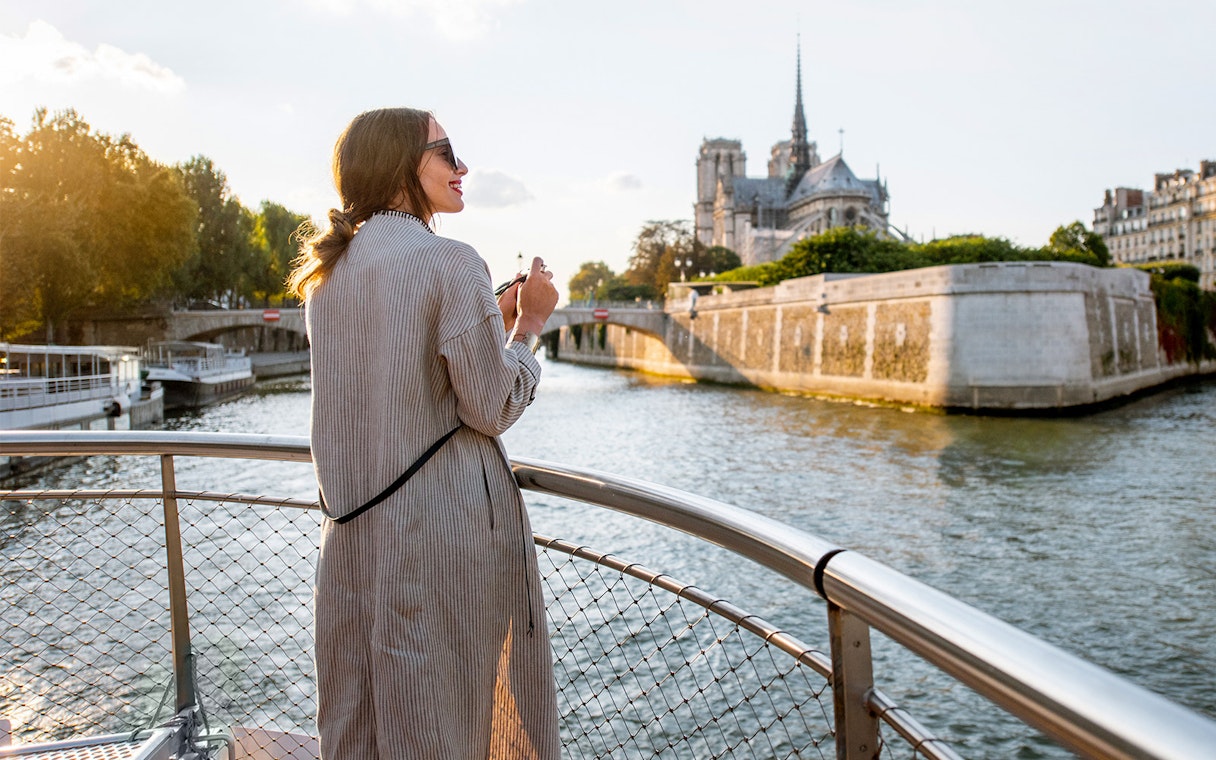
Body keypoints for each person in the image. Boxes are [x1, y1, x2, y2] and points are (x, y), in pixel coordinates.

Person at [286, 107, 560, 759]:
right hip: (442, 546)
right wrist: (528, 327)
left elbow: (398, 381)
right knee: (449, 721)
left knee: (367, 720)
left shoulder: (327, 277)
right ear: (403, 164)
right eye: (447, 152)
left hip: (354, 544)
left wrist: (481, 322)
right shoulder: (453, 262)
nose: (462, 168)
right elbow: (491, 405)